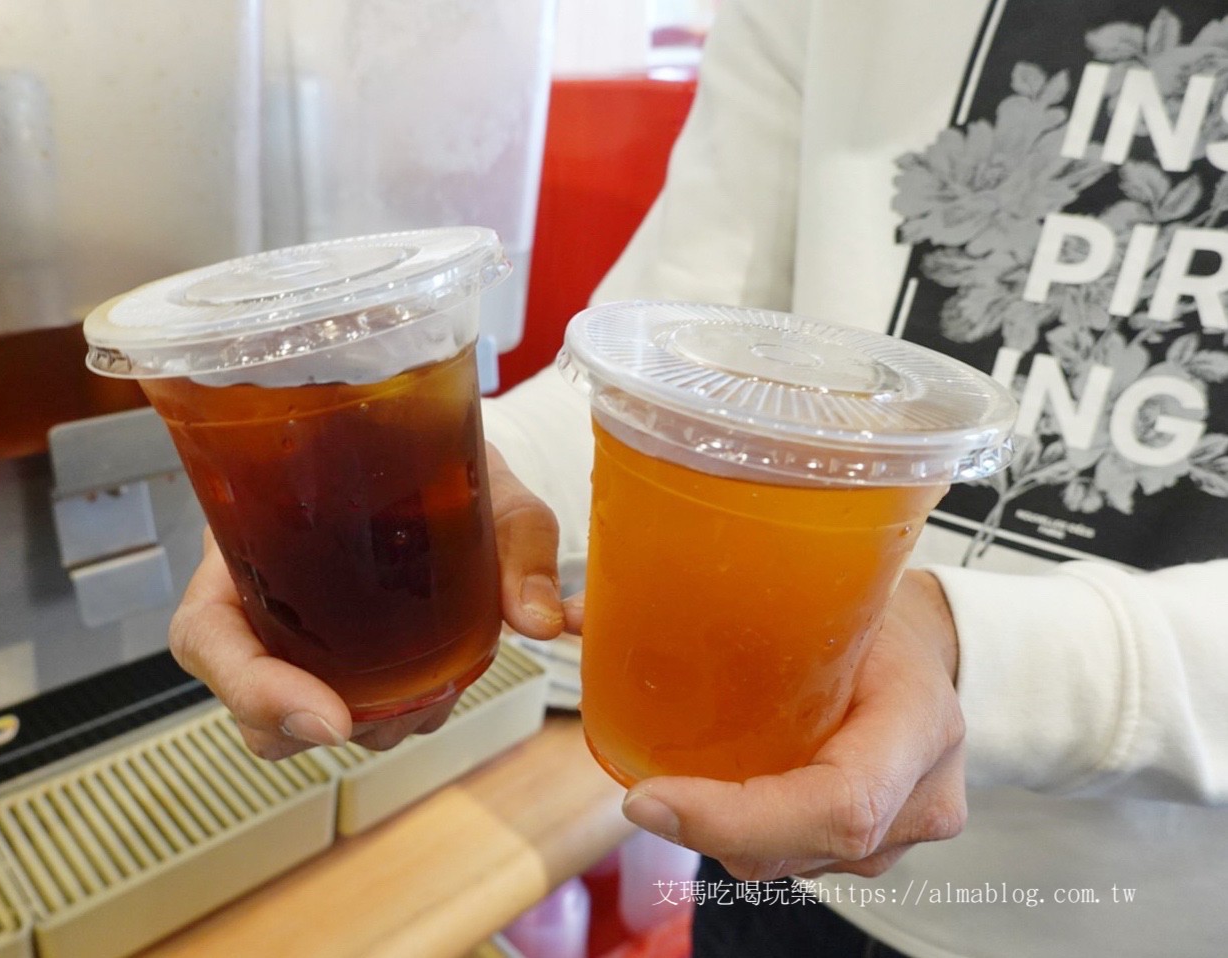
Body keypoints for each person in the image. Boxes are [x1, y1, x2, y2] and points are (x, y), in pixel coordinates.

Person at [169, 0, 1228, 955]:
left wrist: (963, 645)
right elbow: (659, 362)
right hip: (768, 847)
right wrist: (402, 495)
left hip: (1143, 917)